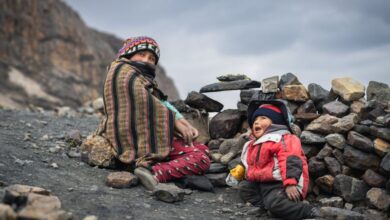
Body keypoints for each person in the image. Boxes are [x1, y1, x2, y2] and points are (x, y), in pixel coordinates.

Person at [98, 36, 210, 191]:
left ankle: (160, 165)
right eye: (141, 54)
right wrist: (175, 123)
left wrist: (179, 119)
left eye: (151, 58)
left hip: (153, 135)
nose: (146, 60)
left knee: (202, 149)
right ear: (128, 55)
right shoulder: (121, 71)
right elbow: (143, 101)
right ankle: (153, 172)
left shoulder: (144, 79)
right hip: (134, 138)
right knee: (201, 159)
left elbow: (158, 102)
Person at [227, 99, 322, 219]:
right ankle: (269, 207)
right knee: (245, 188)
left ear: (276, 122)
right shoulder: (253, 143)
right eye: (255, 120)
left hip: (280, 184)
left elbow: (290, 159)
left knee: (277, 202)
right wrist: (240, 171)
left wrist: (290, 183)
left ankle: (309, 211)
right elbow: (247, 161)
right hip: (260, 182)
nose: (257, 122)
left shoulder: (283, 138)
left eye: (263, 118)